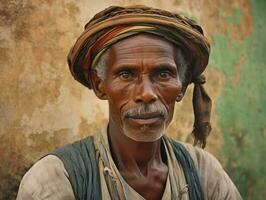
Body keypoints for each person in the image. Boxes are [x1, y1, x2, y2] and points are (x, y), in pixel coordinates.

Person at [16, 5, 242, 200]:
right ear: (99, 85)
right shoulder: (55, 178)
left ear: (182, 86)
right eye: (126, 74)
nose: (146, 94)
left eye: (163, 74)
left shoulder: (204, 172)